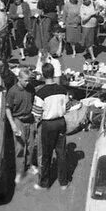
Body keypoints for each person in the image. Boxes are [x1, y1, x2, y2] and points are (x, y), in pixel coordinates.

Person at [32, 62, 70, 191]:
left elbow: (37, 114)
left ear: (43, 75)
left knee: (46, 154)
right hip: (61, 122)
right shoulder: (63, 90)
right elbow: (68, 107)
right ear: (54, 74)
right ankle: (63, 181)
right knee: (61, 153)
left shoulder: (40, 93)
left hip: (48, 125)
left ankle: (45, 183)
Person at [6, 68, 37, 183]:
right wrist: (13, 125)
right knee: (20, 147)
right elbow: (8, 109)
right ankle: (19, 171)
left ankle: (28, 166)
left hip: (29, 119)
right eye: (25, 80)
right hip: (18, 120)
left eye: (29, 80)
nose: (27, 83)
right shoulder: (12, 91)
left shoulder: (31, 88)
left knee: (30, 144)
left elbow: (33, 101)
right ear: (19, 78)